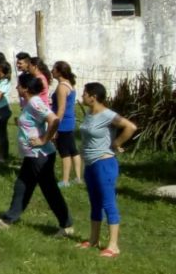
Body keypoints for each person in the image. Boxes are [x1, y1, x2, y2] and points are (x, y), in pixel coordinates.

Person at [0, 74, 73, 235]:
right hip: (32, 155)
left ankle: (66, 225)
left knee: (49, 190)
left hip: (39, 155)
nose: (16, 88)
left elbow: (54, 120)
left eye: (19, 85)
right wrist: (21, 122)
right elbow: (35, 122)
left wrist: (43, 139)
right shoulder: (30, 103)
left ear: (26, 88)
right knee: (22, 186)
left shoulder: (34, 102)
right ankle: (7, 220)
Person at [77, 82, 138, 258]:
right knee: (95, 203)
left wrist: (116, 143)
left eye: (85, 94)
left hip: (104, 164)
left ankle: (113, 246)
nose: (83, 97)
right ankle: (93, 240)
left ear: (93, 97)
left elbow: (130, 127)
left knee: (108, 203)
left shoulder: (108, 115)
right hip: (90, 165)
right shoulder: (90, 113)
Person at [51, 61, 83, 187]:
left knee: (64, 152)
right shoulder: (69, 84)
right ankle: (78, 178)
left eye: (54, 69)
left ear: (59, 71)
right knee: (73, 150)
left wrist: (55, 127)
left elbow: (61, 109)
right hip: (70, 121)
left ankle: (65, 181)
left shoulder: (61, 87)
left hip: (63, 123)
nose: (52, 71)